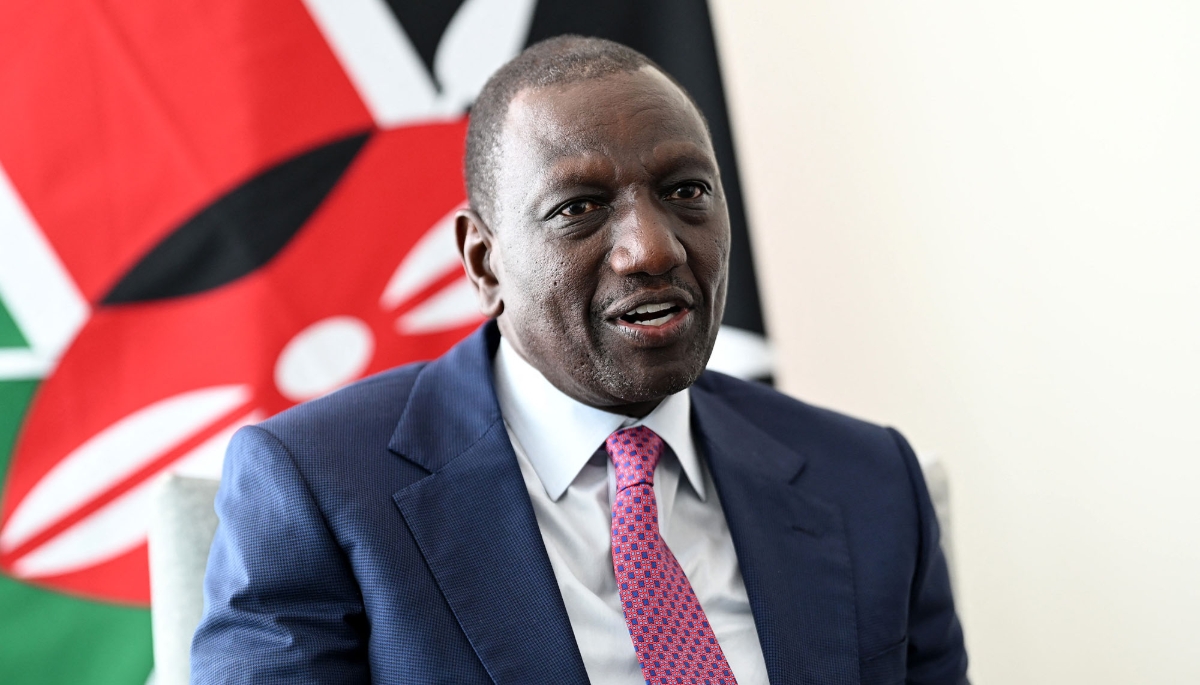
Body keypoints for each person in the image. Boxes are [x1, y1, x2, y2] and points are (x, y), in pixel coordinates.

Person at [192, 36, 968, 684]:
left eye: (686, 191)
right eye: (579, 209)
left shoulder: (869, 482)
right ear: (485, 262)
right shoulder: (319, 486)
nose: (652, 249)